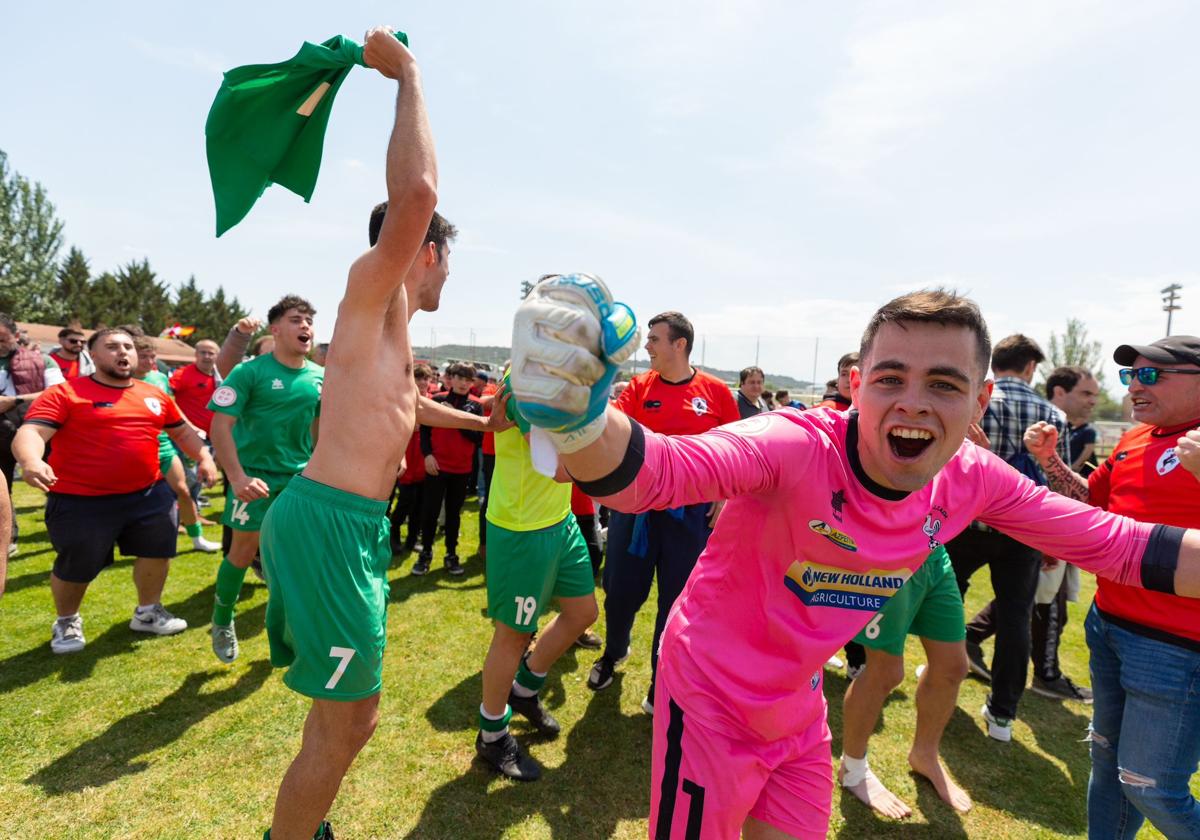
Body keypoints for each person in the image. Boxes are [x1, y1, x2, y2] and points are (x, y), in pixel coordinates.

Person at [508, 281, 1200, 839]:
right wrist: (579, 420)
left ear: (981, 401)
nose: (912, 405)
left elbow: (1120, 545)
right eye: (891, 378)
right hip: (710, 697)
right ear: (858, 382)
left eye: (944, 385)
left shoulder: (971, 476)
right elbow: (654, 473)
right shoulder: (794, 443)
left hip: (798, 706)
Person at [257, 32, 505, 838]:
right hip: (331, 523)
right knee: (353, 722)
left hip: (348, 525)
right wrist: (408, 76)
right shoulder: (373, 287)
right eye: (444, 262)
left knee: (338, 716)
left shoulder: (391, 330)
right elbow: (419, 192)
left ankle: (306, 824)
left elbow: (403, 410)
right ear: (424, 252)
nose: (446, 277)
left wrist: (476, 417)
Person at [1026, 335, 1200, 839]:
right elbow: (1092, 505)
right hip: (1109, 626)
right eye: (1130, 376)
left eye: (1150, 375)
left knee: (1153, 788)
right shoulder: (1135, 439)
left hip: (1176, 649)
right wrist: (1051, 461)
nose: (1133, 389)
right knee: (1107, 767)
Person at [13, 328, 218, 654]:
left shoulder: (154, 394)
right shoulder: (66, 393)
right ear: (92, 355)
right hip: (81, 500)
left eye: (127, 347)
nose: (123, 352)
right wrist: (31, 460)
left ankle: (148, 612)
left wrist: (205, 457)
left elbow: (182, 433)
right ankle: (66, 620)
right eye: (112, 347)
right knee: (76, 565)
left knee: (158, 553)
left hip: (148, 494)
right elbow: (32, 431)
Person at [586, 309, 739, 716]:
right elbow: (610, 426)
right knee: (619, 592)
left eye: (655, 338)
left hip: (690, 518)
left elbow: (738, 451)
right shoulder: (638, 388)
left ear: (680, 344)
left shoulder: (716, 392)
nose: (648, 346)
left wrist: (725, 495)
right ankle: (614, 652)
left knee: (677, 603)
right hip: (635, 510)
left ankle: (662, 679)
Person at [475, 374, 600, 780]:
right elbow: (558, 467)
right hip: (522, 527)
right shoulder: (525, 383)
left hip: (557, 519)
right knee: (512, 634)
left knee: (582, 612)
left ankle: (524, 688)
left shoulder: (566, 379)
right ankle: (492, 734)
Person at [948, 334, 1071, 741]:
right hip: (1022, 529)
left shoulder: (975, 403)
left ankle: (939, 683)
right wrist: (1052, 539)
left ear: (993, 363)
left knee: (945, 607)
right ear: (1031, 367)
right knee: (1016, 617)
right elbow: (1056, 482)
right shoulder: (1052, 413)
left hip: (966, 522)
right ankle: (1002, 714)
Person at [207, 296, 324, 664]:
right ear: (275, 330)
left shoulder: (320, 377)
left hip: (300, 481)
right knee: (242, 552)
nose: (304, 326)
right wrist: (237, 476)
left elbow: (319, 430)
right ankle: (222, 620)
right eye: (295, 320)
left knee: (297, 557)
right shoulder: (250, 372)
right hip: (254, 478)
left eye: (308, 320)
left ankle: (291, 634)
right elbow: (219, 426)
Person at [839, 543, 973, 818]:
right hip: (890, 554)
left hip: (934, 554)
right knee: (884, 671)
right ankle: (852, 769)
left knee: (953, 666)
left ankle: (925, 755)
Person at [1026, 365, 1102, 702]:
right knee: (1045, 603)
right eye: (1086, 394)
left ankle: (967, 639)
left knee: (1029, 599)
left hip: (1053, 534)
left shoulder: (1074, 430)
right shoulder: (1046, 422)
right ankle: (1047, 674)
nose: (1092, 403)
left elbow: (1083, 490)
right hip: (1043, 534)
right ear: (1059, 391)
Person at [132, 337, 220, 553]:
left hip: (163, 444)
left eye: (152, 356)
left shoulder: (160, 378)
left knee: (183, 489)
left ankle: (197, 539)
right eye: (143, 356)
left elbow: (172, 408)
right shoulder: (120, 380)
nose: (148, 361)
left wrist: (190, 428)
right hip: (133, 448)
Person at [0, 313, 65, 556]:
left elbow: (58, 392)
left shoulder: (43, 360)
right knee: (2, 489)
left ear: (16, 335)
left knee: (56, 483)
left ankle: (64, 533)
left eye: (2, 338)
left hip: (38, 433)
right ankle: (7, 539)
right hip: (0, 435)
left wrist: (13, 400)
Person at [415, 362, 482, 576]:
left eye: (468, 380)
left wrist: (456, 417)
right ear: (450, 379)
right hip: (437, 466)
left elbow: (478, 438)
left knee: (454, 514)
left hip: (461, 469)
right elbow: (424, 430)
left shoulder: (475, 406)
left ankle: (451, 554)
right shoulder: (437, 400)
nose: (463, 383)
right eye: (460, 378)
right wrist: (427, 455)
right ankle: (425, 553)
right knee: (430, 512)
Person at [389, 363, 433, 555]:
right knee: (405, 502)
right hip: (406, 457)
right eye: (419, 378)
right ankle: (393, 534)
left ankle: (412, 540)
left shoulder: (432, 402)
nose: (423, 382)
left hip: (423, 461)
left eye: (426, 378)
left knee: (420, 506)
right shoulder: (401, 399)